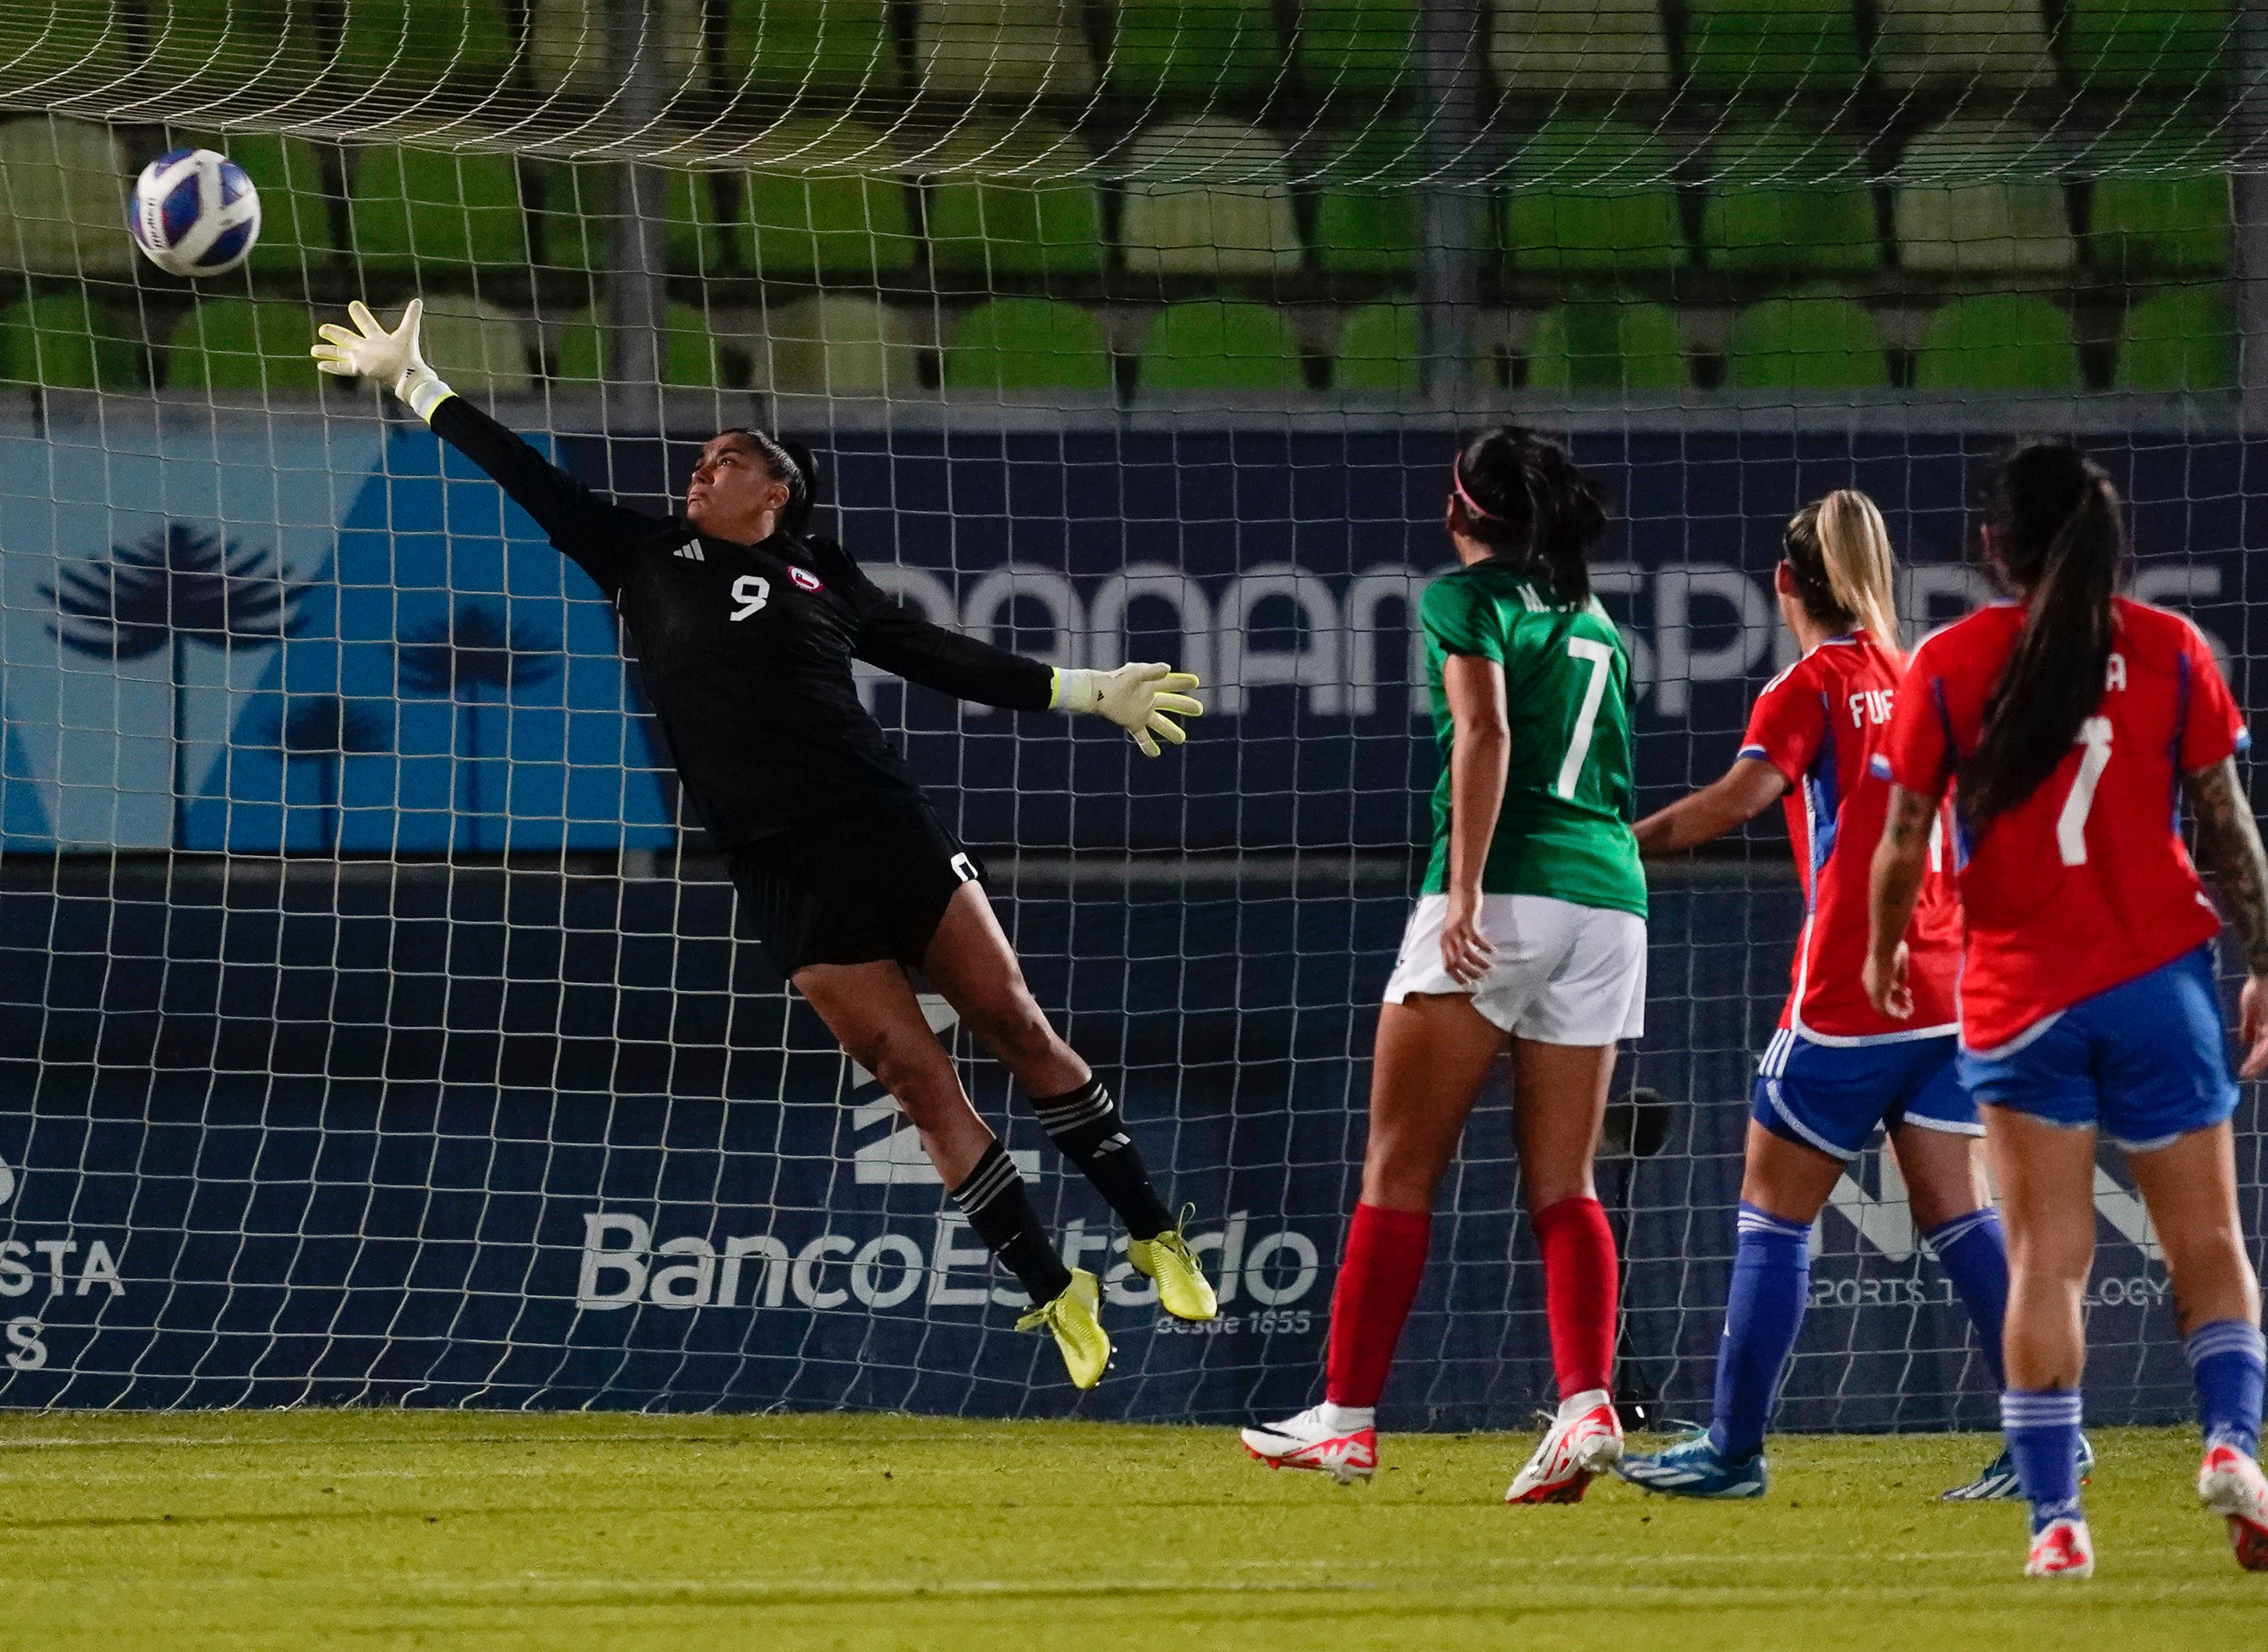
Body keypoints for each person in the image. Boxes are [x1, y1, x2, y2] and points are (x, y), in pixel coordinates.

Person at [310, 300, 1218, 1389]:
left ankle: (1155, 1233)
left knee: (1015, 1023)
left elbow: (932, 652)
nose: (701, 471)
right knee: (914, 1077)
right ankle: (1054, 1290)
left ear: (776, 491)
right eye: (701, 460)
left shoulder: (823, 574)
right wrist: (418, 384)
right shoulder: (645, 554)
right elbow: (528, 478)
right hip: (776, 861)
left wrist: (1085, 690)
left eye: (726, 460)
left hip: (882, 821)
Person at [1866, 442, 2268, 1580]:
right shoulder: (2169, 648)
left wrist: (1883, 950)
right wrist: (2264, 966)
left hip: (2021, 996)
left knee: (2046, 1261)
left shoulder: (1951, 661)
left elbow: (1903, 839)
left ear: (1994, 547)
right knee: (2209, 1244)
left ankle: (2057, 1520)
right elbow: (2229, 828)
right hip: (2157, 986)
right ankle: (2231, 1444)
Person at [1619, 491, 2053, 1502]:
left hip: (1852, 990)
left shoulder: (1810, 686)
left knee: (1772, 1216)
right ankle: (2046, 1436)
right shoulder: (1921, 672)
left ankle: (1732, 1450)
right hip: (1947, 983)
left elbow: (1738, 800)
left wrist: (1618, 845)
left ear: (1784, 583)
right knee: (1963, 1218)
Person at [1243, 427, 1644, 1501]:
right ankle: (1586, 1406)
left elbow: (1487, 733)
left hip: (1504, 891)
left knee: (1398, 1168)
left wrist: (1463, 890)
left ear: (1459, 511)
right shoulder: (1593, 615)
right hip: (1610, 903)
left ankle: (1345, 1421)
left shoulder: (1463, 600)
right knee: (1566, 1181)